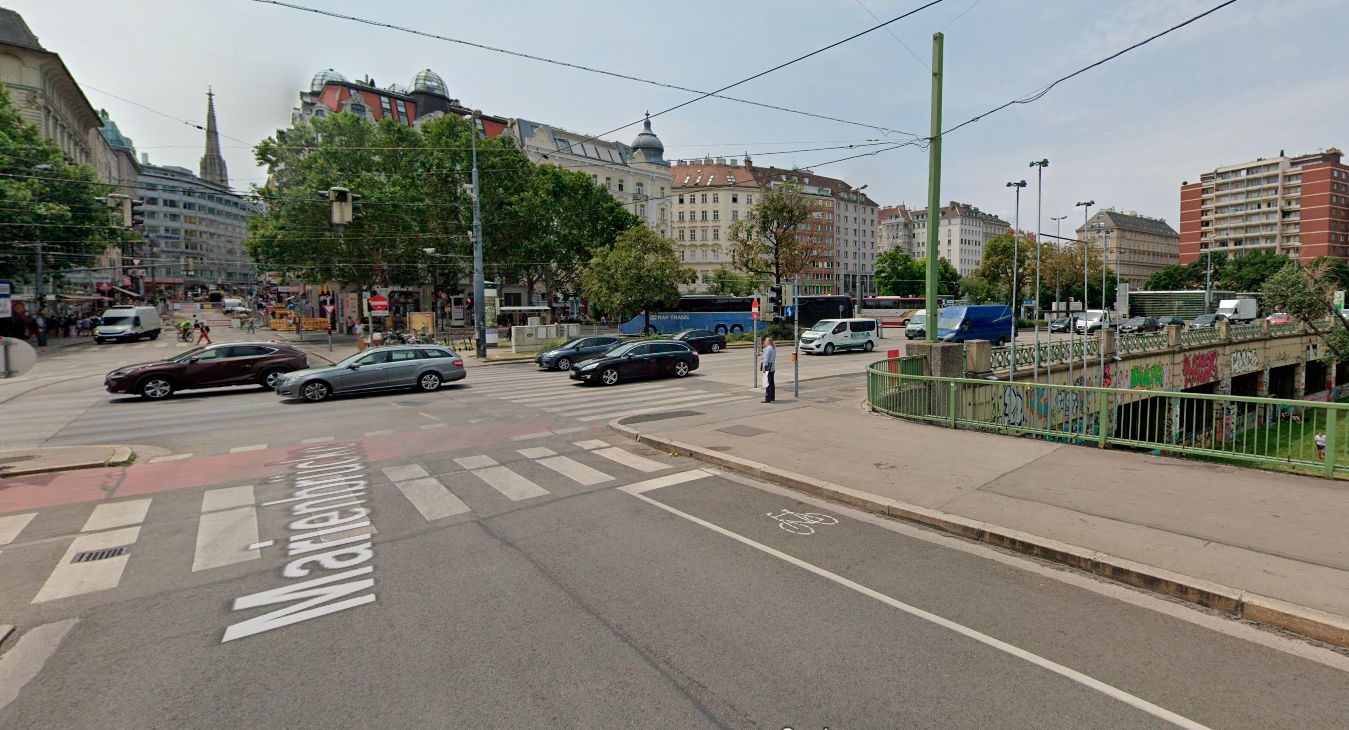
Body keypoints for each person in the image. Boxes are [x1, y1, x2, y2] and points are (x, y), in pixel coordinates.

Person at [760, 336, 776, 403]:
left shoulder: (768, 349)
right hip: (772, 367)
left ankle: (767, 398)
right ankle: (772, 397)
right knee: (772, 383)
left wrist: (763, 366)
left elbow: (766, 359)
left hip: (768, 367)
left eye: (765, 341)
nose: (764, 342)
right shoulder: (773, 348)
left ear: (768, 342)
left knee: (767, 383)